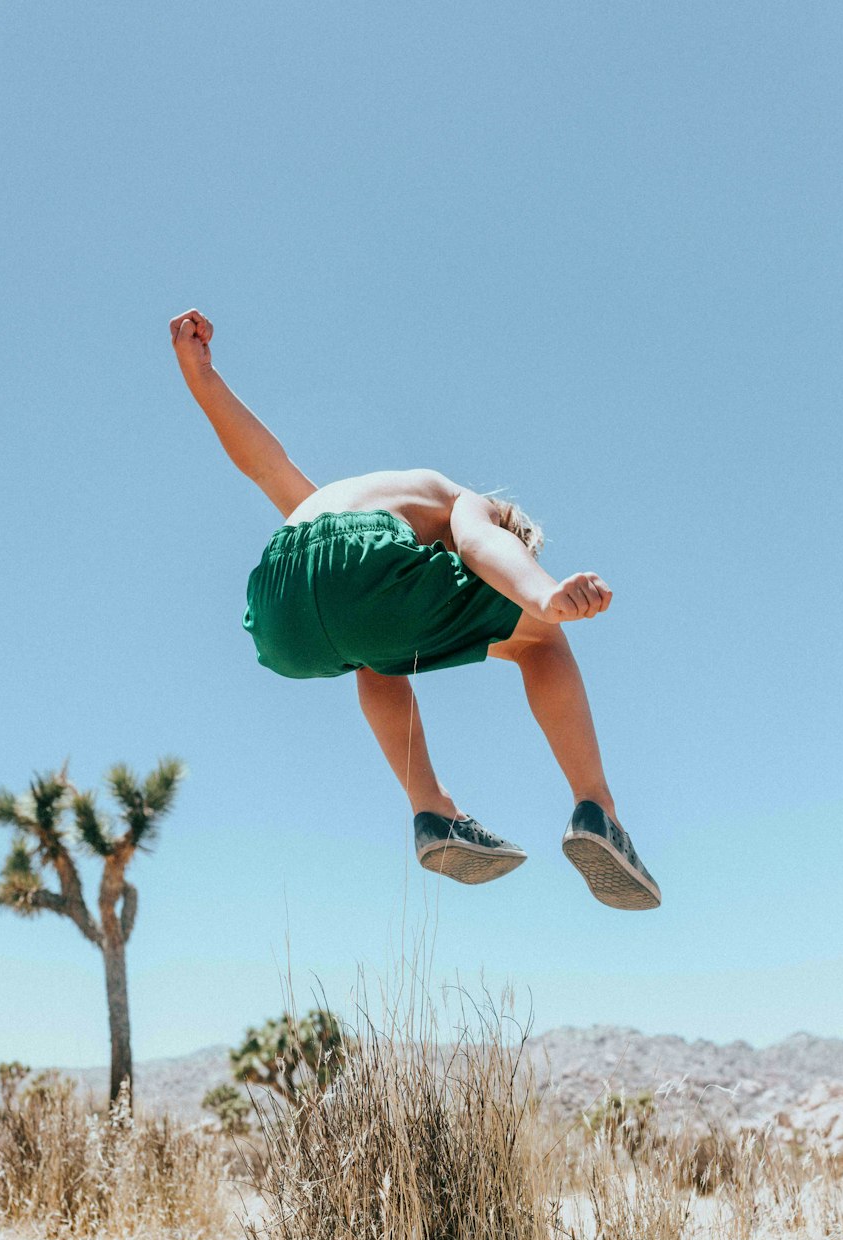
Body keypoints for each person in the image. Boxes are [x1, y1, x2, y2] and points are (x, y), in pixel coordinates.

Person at [169, 309, 660, 910]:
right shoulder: (463, 500)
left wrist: (200, 379)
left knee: (380, 658)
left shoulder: (338, 501)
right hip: (363, 572)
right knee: (540, 640)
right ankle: (597, 810)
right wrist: (542, 596)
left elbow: (263, 463)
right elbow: (482, 544)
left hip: (277, 603)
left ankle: (431, 812)